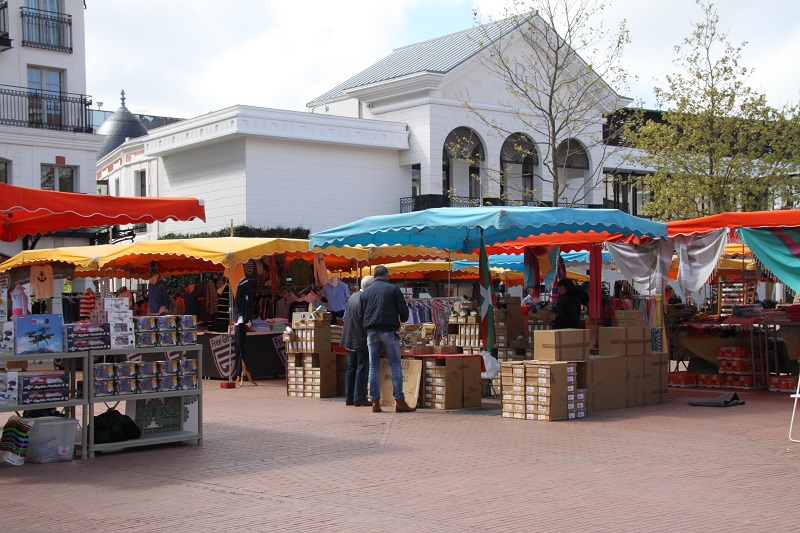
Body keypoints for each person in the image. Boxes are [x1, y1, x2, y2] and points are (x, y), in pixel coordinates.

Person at [360, 265, 415, 413]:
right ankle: (399, 401)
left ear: (374, 276)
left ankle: (375, 402)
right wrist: (400, 318)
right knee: (395, 366)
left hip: (371, 332)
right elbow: (404, 312)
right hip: (389, 331)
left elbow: (361, 315)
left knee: (373, 367)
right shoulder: (393, 290)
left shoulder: (365, 293)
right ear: (387, 275)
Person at [341, 275, 374, 407]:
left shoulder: (353, 297)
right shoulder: (365, 298)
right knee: (362, 367)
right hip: (360, 337)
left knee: (351, 367)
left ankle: (349, 397)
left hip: (350, 337)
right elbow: (366, 319)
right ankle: (359, 397)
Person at [234, 277, 256, 386]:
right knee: (238, 346)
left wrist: (247, 319)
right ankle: (239, 371)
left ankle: (242, 371)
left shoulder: (245, 288)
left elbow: (247, 304)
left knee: (241, 347)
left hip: (242, 320)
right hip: (239, 320)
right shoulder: (241, 287)